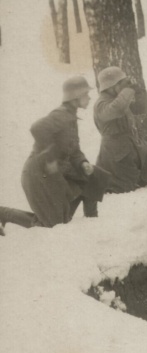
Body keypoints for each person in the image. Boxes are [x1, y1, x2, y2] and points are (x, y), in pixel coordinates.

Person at [2, 76, 110, 235]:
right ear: (76, 96)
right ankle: (3, 214)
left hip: (52, 172)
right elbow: (36, 128)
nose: (89, 97)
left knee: (94, 176)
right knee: (53, 227)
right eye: (86, 94)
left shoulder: (71, 117)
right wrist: (51, 157)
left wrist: (82, 163)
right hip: (39, 174)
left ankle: (91, 221)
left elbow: (74, 151)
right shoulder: (61, 115)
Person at [93, 66, 147, 193]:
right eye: (122, 83)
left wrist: (138, 91)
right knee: (125, 186)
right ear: (112, 85)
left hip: (131, 144)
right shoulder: (101, 103)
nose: (125, 86)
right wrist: (127, 91)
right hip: (114, 150)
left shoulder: (118, 98)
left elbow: (140, 110)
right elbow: (116, 109)